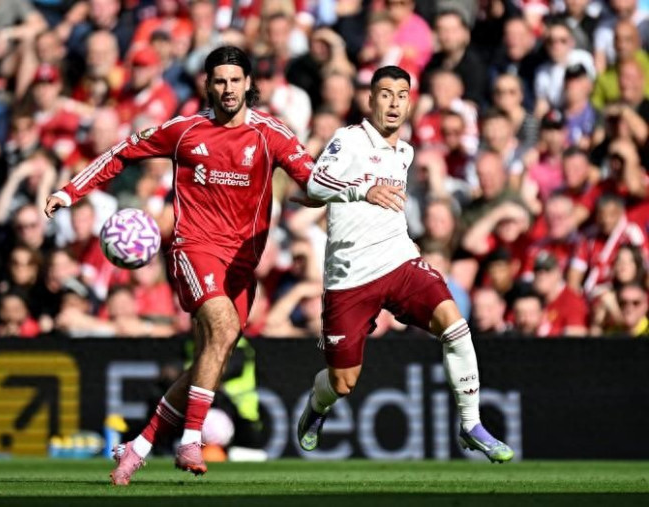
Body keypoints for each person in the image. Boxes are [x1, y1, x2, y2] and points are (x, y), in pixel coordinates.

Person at [44, 46, 316, 482]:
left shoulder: (271, 133)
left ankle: (139, 445)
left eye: (235, 80)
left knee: (211, 359)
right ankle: (191, 439)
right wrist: (70, 191)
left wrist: (342, 192)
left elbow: (314, 179)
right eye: (219, 81)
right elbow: (123, 151)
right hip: (195, 248)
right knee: (222, 328)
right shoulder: (186, 130)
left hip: (242, 264)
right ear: (208, 85)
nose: (228, 89)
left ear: (248, 83)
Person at [295, 66, 514, 463]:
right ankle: (317, 404)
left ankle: (470, 424)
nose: (394, 103)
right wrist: (362, 190)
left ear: (409, 103)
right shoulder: (349, 139)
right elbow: (315, 183)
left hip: (399, 260)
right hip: (349, 276)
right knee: (343, 383)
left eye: (401, 95)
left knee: (455, 326)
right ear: (370, 100)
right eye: (385, 94)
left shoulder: (406, 152)